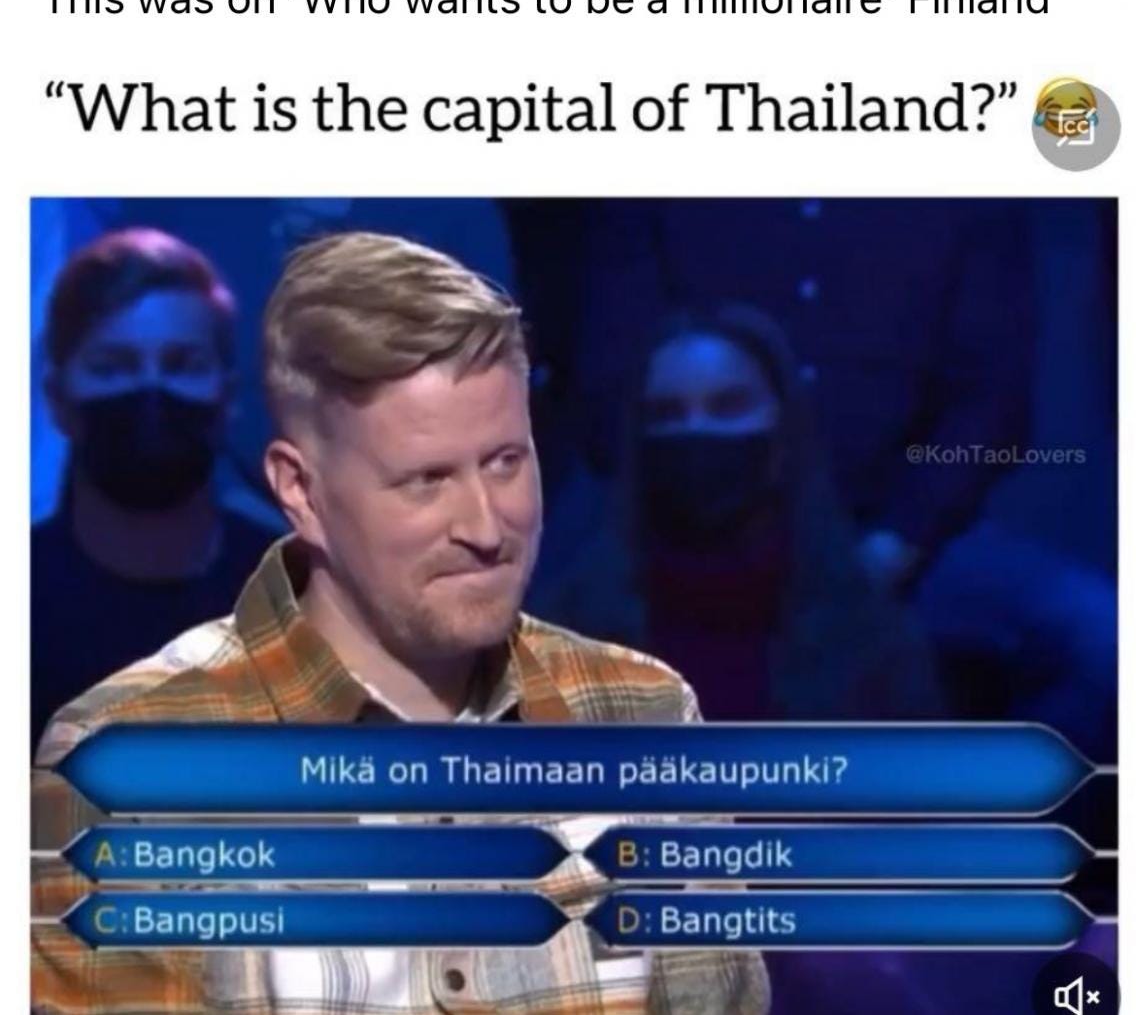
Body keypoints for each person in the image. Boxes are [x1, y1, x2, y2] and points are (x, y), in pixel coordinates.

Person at [32, 233, 769, 1014]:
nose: (485, 526)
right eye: (427, 480)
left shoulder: (644, 717)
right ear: (301, 491)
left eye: (505, 462)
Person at [529, 304, 940, 722]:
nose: (696, 431)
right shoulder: (565, 631)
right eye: (667, 413)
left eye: (728, 407)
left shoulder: (872, 638)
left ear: (782, 429)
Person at [31, 228, 278, 748]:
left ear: (227, 396)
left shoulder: (302, 597)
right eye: (112, 367)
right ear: (57, 398)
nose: (151, 391)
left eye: (182, 365)